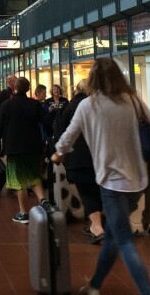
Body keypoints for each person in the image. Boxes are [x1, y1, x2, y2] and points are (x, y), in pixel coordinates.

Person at [52, 58, 150, 295]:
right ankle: (94, 284)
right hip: (137, 181)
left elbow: (68, 138)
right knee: (114, 234)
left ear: (93, 79)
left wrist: (58, 155)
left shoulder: (88, 105)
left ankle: (148, 291)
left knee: (123, 240)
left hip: (112, 182)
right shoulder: (132, 100)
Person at [53, 79, 104, 243]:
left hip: (78, 156)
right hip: (98, 155)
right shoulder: (99, 104)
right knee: (96, 189)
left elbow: (64, 131)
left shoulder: (72, 106)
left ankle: (97, 227)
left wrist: (59, 152)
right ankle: (97, 224)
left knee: (86, 191)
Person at [0, 77, 50, 223]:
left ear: (15, 89)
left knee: (19, 181)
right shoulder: (35, 104)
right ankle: (43, 201)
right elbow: (46, 123)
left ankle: (23, 213)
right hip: (33, 146)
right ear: (28, 89)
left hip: (14, 147)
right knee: (34, 175)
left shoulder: (7, 105)